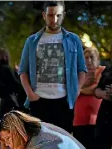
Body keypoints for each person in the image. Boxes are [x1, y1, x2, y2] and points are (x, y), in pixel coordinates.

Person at [18, 1, 86, 133]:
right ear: (44, 15)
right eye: (50, 15)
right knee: (38, 143)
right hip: (39, 100)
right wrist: (30, 94)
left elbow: (81, 69)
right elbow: (23, 71)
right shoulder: (32, 41)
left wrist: (76, 91)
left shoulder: (73, 39)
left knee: (63, 143)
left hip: (64, 101)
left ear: (63, 15)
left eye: (58, 15)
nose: (54, 19)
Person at [72, 46, 105, 149]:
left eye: (92, 57)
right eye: (86, 58)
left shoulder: (102, 71)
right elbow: (71, 93)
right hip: (79, 120)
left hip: (97, 120)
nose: (89, 60)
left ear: (98, 59)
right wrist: (82, 87)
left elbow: (96, 90)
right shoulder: (78, 74)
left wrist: (80, 90)